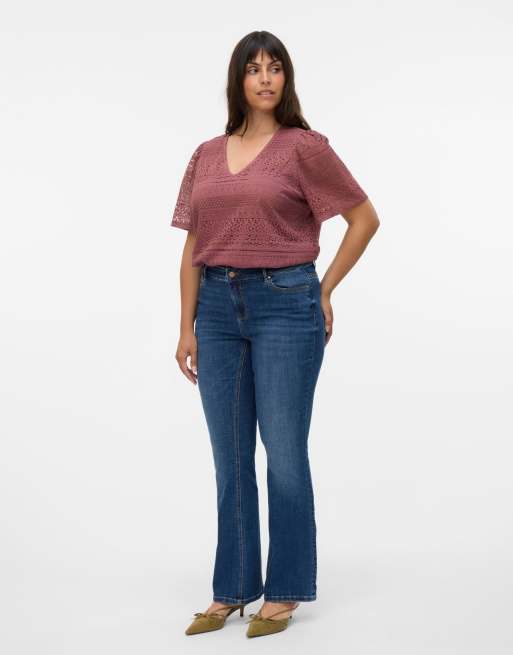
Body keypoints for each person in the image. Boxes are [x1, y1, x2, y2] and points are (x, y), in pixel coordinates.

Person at [170, 31, 380, 638]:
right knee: (230, 456)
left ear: (287, 79)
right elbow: (194, 243)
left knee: (284, 453)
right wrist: (185, 324)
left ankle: (285, 591)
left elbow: (364, 219)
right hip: (216, 309)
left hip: (286, 304)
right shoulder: (206, 154)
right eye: (253, 68)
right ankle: (232, 587)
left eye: (275, 67)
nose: (265, 78)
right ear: (237, 80)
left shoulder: (303, 148)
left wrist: (324, 288)